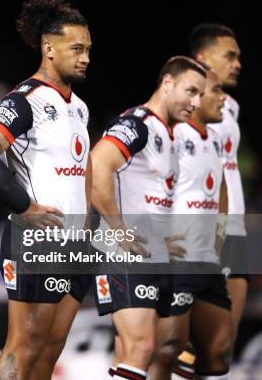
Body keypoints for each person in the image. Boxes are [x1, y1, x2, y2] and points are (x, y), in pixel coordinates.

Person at [0, 0, 93, 380]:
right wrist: (26, 207)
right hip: (38, 238)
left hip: (76, 242)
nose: (85, 57)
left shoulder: (79, 107)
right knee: (25, 344)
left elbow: (79, 172)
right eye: (77, 49)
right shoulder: (26, 99)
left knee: (51, 350)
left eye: (88, 49)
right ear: (48, 49)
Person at [91, 56, 206, 380]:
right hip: (125, 253)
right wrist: (121, 232)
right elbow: (96, 168)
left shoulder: (170, 134)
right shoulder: (137, 123)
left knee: (161, 351)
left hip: (155, 252)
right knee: (141, 347)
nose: (196, 102)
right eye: (191, 91)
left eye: (201, 95)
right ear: (167, 83)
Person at [170, 23, 246, 380]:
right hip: (196, 230)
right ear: (202, 58)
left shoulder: (230, 107)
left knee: (221, 347)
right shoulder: (184, 106)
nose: (238, 64)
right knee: (179, 343)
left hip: (235, 227)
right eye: (230, 55)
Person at [148, 67, 233, 380]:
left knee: (218, 352)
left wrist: (220, 232)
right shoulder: (171, 133)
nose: (224, 98)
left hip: (206, 258)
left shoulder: (215, 139)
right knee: (167, 346)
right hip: (176, 259)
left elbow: (220, 185)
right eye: (217, 91)